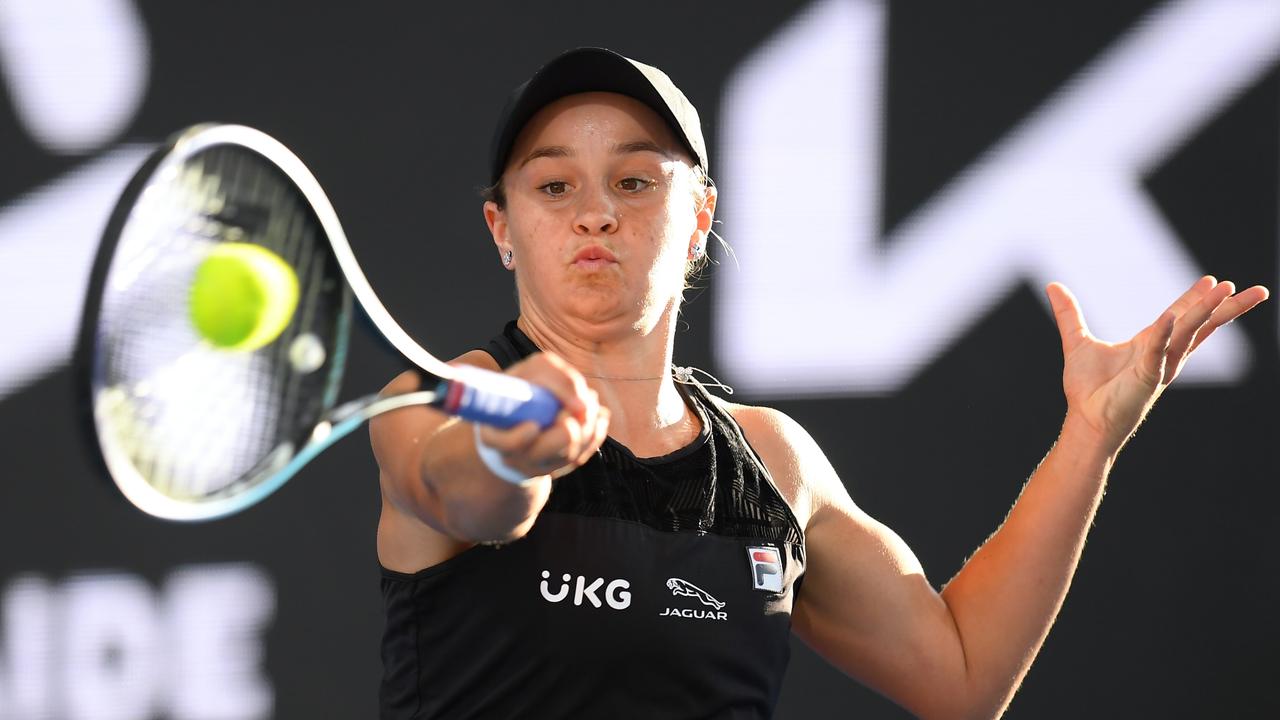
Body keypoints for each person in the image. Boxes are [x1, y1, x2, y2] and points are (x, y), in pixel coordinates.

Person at [369, 48, 1268, 719]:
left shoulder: (771, 462)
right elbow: (467, 497)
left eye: (636, 180)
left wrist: (1089, 439)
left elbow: (961, 678)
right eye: (554, 186)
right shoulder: (440, 398)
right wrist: (510, 450)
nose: (597, 211)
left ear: (699, 219)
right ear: (503, 226)